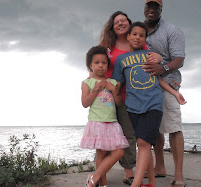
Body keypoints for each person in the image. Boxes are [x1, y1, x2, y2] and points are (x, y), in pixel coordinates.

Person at [112, 21, 186, 187]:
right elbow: (117, 85)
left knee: (143, 143)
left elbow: (158, 78)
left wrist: (175, 93)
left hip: (153, 104)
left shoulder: (150, 55)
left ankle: (136, 184)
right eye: (135, 34)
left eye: (142, 35)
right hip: (132, 107)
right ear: (128, 36)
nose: (138, 38)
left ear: (145, 39)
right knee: (141, 142)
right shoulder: (121, 60)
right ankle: (151, 181)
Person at [99, 11, 160, 185]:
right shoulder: (107, 45)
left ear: (129, 23)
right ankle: (125, 173)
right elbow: (97, 63)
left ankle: (137, 175)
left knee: (138, 138)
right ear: (112, 26)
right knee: (119, 136)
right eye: (116, 21)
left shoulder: (138, 42)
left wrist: (160, 58)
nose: (120, 23)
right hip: (113, 96)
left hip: (139, 98)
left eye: (123, 20)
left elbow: (152, 63)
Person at [142, 0, 186, 186]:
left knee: (174, 128)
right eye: (148, 6)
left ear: (161, 9)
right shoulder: (140, 30)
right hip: (146, 87)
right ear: (144, 8)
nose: (152, 9)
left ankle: (178, 176)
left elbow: (179, 59)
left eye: (156, 6)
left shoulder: (172, 30)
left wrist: (164, 67)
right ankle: (159, 167)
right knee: (155, 130)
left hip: (168, 83)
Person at [80, 46, 130, 187]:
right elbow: (85, 103)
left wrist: (113, 90)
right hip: (97, 123)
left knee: (119, 152)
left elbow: (119, 103)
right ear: (90, 65)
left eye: (103, 62)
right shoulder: (87, 83)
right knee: (101, 153)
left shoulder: (113, 82)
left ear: (107, 65)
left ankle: (94, 177)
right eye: (96, 63)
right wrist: (95, 90)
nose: (100, 65)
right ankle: (103, 182)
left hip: (112, 123)